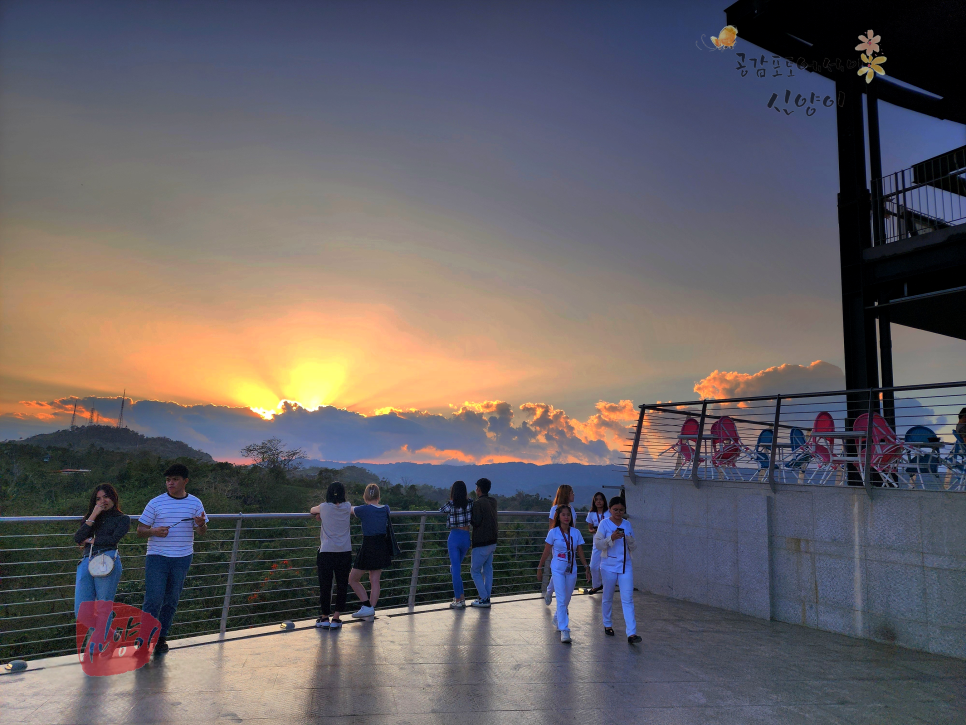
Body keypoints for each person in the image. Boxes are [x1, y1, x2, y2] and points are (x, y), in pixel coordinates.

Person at [137, 464, 208, 654]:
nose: (170, 483)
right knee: (153, 598)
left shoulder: (195, 503)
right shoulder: (155, 503)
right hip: (157, 557)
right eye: (168, 480)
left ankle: (160, 638)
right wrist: (153, 531)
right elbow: (140, 530)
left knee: (171, 600)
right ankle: (144, 641)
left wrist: (201, 525)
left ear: (185, 481)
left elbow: (201, 531)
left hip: (182, 558)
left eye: (175, 479)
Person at [73, 483, 130, 645]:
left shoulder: (122, 519)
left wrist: (91, 540)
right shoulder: (91, 518)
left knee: (104, 607)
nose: (102, 501)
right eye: (98, 498)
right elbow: (78, 538)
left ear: (113, 497)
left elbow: (112, 540)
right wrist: (94, 514)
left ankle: (95, 649)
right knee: (82, 612)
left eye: (106, 496)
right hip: (86, 561)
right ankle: (112, 635)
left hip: (108, 560)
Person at [537, 506, 589, 643]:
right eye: (563, 515)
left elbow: (580, 551)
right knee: (561, 598)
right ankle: (564, 630)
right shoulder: (553, 533)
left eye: (568, 515)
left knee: (567, 599)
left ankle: (557, 618)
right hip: (558, 568)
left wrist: (586, 567)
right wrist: (539, 567)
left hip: (572, 568)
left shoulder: (576, 532)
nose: (566, 517)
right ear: (558, 517)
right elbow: (547, 551)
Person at [593, 496, 641, 644]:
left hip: (625, 565)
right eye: (615, 510)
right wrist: (611, 538)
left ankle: (632, 633)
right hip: (608, 566)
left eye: (621, 510)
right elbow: (598, 544)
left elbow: (633, 547)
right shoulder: (604, 524)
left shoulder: (627, 524)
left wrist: (629, 539)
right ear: (610, 510)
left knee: (627, 598)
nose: (618, 512)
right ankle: (607, 624)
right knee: (608, 596)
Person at [310, 481, 352, 629]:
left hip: (327, 552)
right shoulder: (347, 507)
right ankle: (336, 618)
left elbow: (312, 509)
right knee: (342, 585)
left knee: (325, 585)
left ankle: (324, 618)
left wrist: (320, 515)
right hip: (344, 552)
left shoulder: (323, 507)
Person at [348, 483, 390, 618]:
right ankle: (370, 609)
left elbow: (349, 509)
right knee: (375, 580)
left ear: (365, 496)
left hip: (369, 545)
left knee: (353, 579)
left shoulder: (363, 510)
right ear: (378, 496)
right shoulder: (386, 508)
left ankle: (366, 605)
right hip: (382, 545)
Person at [439, 481, 473, 609]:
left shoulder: (451, 504)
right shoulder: (470, 503)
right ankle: (462, 597)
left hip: (454, 537)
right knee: (455, 569)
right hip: (466, 537)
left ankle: (458, 600)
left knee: (455, 570)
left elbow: (441, 510)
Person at [544, 484, 576, 605]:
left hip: (570, 543)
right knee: (559, 569)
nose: (573, 495)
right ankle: (555, 596)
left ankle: (554, 594)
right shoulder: (555, 509)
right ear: (566, 494)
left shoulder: (572, 509)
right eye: (572, 492)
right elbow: (551, 527)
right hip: (558, 543)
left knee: (565, 569)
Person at [469, 477, 498, 608]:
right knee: (487, 570)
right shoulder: (493, 501)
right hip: (493, 541)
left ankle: (484, 598)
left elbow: (476, 521)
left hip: (481, 542)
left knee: (475, 570)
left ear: (478, 489)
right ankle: (486, 596)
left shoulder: (478, 503)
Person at [583, 491, 608, 594]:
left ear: (604, 501)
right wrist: (593, 530)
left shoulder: (608, 512)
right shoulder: (591, 513)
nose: (598, 501)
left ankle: (606, 585)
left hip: (607, 540)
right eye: (596, 499)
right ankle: (596, 585)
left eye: (600, 499)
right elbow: (589, 528)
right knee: (593, 565)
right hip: (596, 540)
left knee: (606, 565)